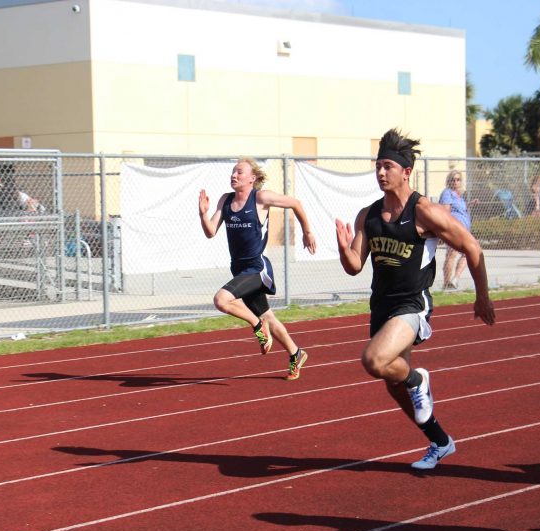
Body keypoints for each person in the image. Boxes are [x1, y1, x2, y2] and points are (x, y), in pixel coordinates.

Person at [335, 129, 496, 469]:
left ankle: (417, 379)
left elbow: (471, 246)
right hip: (381, 307)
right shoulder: (369, 215)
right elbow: (353, 266)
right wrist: (343, 245)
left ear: (406, 172)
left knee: (374, 361)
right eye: (378, 165)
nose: (380, 172)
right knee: (393, 385)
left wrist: (482, 296)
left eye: (388, 166)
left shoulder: (425, 212)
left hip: (412, 306)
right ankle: (440, 442)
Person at [199, 158, 317, 380]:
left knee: (221, 300)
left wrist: (307, 231)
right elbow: (210, 231)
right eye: (233, 171)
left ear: (252, 178)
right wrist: (203, 214)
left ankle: (256, 325)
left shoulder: (261, 198)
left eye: (240, 172)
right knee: (269, 318)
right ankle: (296, 353)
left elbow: (295, 203)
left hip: (257, 269)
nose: (234, 175)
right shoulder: (226, 200)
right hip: (239, 270)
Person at [437, 170, 476, 289]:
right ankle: (447, 283)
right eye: (453, 179)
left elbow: (458, 210)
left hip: (464, 230)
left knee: (468, 253)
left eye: (458, 179)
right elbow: (445, 212)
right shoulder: (447, 193)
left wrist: (469, 204)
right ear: (449, 181)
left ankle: (455, 279)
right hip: (454, 229)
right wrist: (443, 232)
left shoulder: (459, 195)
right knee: (452, 254)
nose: (455, 182)